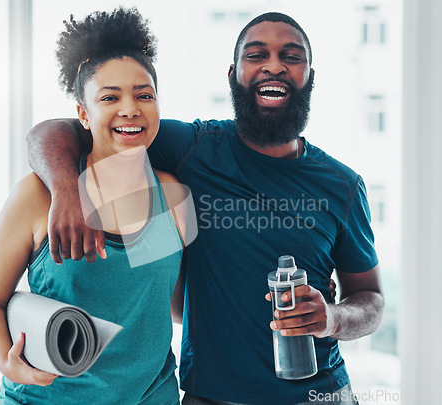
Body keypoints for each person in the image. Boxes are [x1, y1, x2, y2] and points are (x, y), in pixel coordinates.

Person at [26, 12, 384, 405]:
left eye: (292, 56)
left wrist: (332, 318)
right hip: (210, 397)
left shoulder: (342, 185)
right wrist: (66, 190)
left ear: (309, 77)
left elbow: (370, 299)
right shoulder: (191, 149)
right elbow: (59, 131)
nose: (274, 65)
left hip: (321, 393)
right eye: (256, 54)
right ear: (233, 75)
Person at [0, 7, 189, 405]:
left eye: (145, 95)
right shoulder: (37, 197)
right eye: (110, 97)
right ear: (83, 115)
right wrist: (7, 362)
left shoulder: (171, 197)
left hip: (151, 397)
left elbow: (165, 306)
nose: (130, 108)